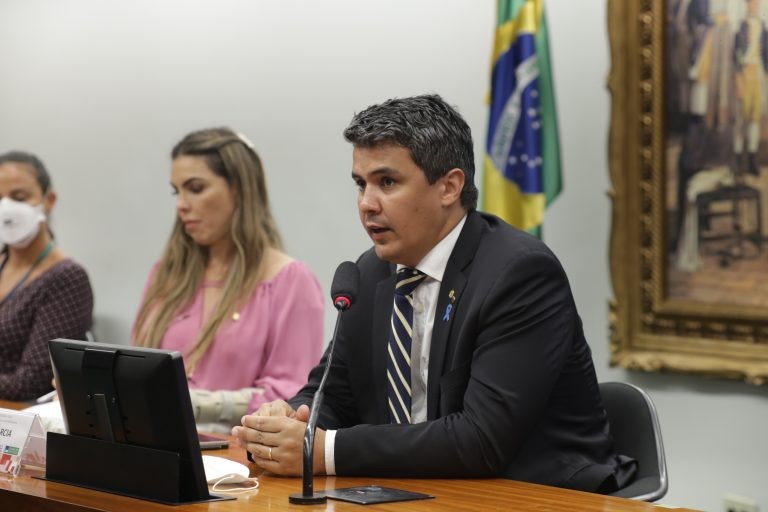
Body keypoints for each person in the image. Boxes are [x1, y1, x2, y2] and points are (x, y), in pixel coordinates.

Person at [232, 95, 637, 493]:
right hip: (415, 490)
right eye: (360, 184)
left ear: (449, 187)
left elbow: (483, 439)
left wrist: (324, 451)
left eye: (387, 182)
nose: (367, 204)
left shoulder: (519, 274)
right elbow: (333, 393)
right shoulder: (368, 274)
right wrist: (289, 420)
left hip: (538, 493)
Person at [132, 127, 324, 431]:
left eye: (196, 188)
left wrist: (200, 405)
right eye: (176, 191)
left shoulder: (290, 280)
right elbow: (137, 367)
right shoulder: (166, 273)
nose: (181, 204)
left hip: (236, 453)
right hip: (155, 443)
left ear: (239, 189)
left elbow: (291, 396)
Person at [0, 151, 93, 401]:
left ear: (48, 200)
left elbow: (33, 382)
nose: (6, 208)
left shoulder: (67, 278)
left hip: (20, 417)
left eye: (19, 197)